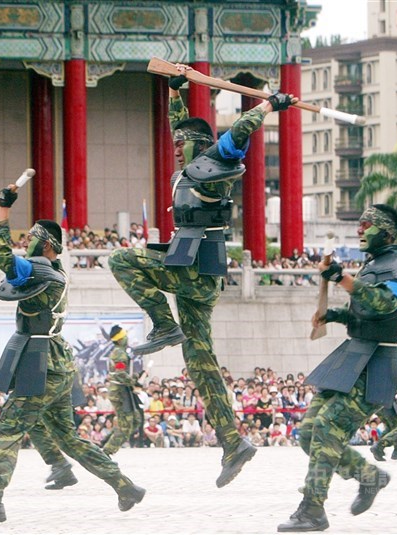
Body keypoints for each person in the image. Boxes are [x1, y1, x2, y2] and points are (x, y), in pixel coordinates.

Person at [109, 64, 296, 488]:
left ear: (199, 146)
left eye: (182, 146)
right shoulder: (191, 166)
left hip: (196, 269)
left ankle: (162, 324)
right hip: (190, 264)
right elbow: (183, 127)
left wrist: (267, 104)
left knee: (121, 261)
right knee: (201, 363)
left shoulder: (216, 161)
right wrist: (176, 91)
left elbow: (239, 133)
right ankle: (233, 442)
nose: (176, 151)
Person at [0, 186, 144, 526]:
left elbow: (4, 259)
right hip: (54, 363)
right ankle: (125, 486)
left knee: (6, 431)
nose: (27, 242)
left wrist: (4, 212)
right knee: (69, 439)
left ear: (49, 246)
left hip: (41, 362)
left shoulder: (42, 270)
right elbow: (6, 259)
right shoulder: (52, 272)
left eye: (33, 239)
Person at [278, 204, 397, 532]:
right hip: (354, 355)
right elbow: (366, 313)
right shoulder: (376, 264)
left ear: (386, 232)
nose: (359, 229)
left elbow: (386, 305)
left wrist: (342, 278)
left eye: (366, 224)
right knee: (310, 433)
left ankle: (312, 508)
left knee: (327, 429)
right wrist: (335, 315)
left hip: (377, 362)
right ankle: (370, 476)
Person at [101, 325, 144, 456]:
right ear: (120, 339)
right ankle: (106, 452)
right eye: (124, 336)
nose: (127, 338)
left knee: (135, 420)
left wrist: (135, 376)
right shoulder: (119, 353)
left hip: (123, 390)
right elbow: (120, 373)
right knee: (126, 426)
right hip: (120, 392)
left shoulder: (121, 352)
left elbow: (123, 372)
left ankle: (105, 442)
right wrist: (134, 382)